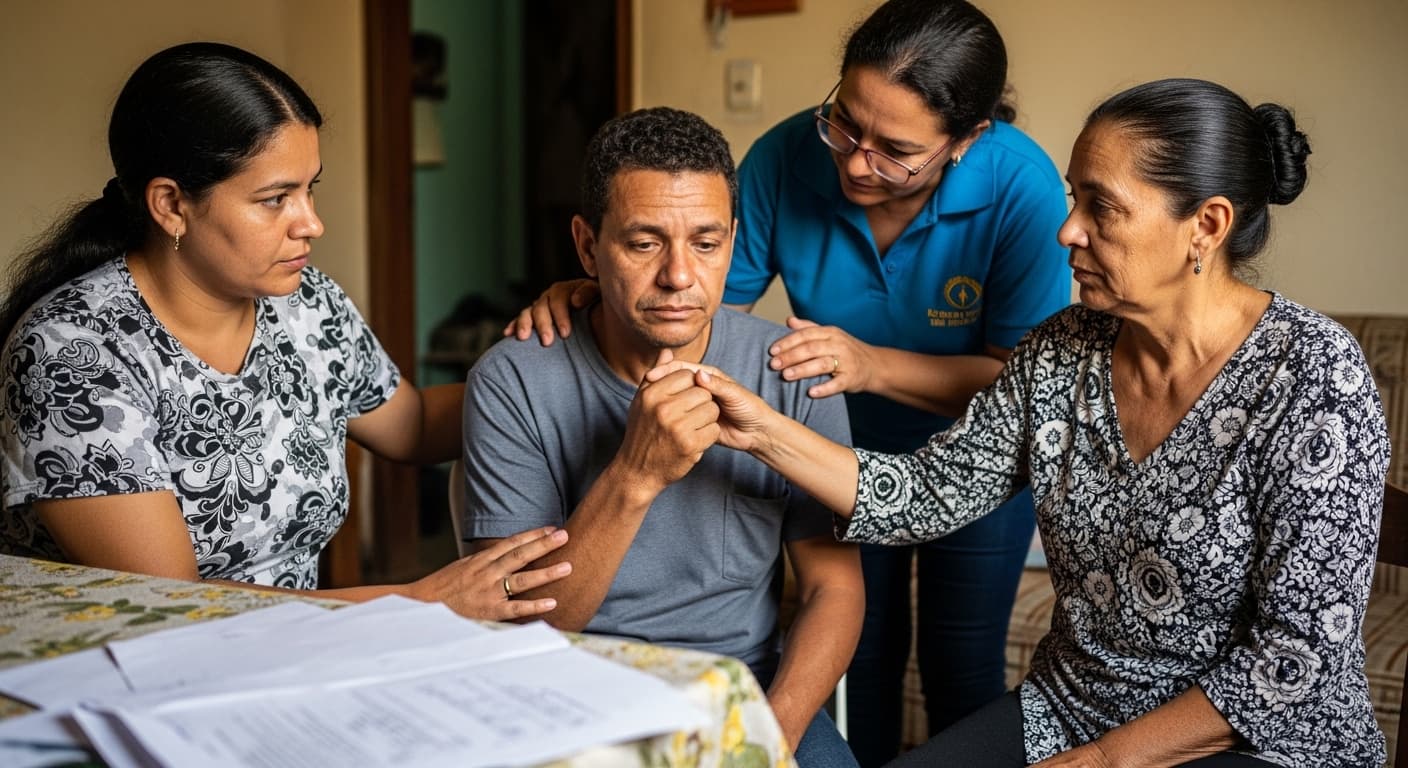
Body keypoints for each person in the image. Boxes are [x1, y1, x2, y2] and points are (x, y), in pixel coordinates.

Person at [651, 77, 1389, 768]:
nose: (1068, 231)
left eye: (1101, 207)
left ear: (1207, 225)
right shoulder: (1063, 348)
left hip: (1257, 739)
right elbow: (926, 493)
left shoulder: (1315, 376)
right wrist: (757, 427)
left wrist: (1100, 762)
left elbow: (1294, 662)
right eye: (1074, 199)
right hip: (1071, 708)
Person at [508, 1, 1072, 761]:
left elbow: (1025, 384)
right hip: (827, 449)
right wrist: (595, 293)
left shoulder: (1022, 189)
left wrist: (873, 365)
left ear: (966, 142)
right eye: (844, 123)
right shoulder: (783, 158)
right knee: (860, 655)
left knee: (960, 661)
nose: (854, 162)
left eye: (894, 150)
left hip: (974, 456)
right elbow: (692, 302)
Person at [0, 42, 570, 621]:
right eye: (275, 199)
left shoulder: (307, 304)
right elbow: (171, 609)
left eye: (310, 188)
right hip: (135, 671)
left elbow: (415, 426)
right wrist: (420, 600)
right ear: (171, 205)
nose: (312, 223)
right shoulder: (73, 352)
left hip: (300, 650)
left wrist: (581, 356)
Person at [461, 107, 865, 766]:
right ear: (588, 247)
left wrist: (768, 739)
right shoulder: (513, 380)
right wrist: (634, 476)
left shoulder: (790, 371)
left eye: (706, 244)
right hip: (568, 692)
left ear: (733, 242)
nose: (680, 276)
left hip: (746, 692)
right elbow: (522, 624)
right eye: (644, 243)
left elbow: (835, 589)